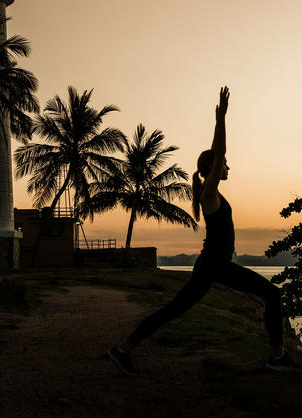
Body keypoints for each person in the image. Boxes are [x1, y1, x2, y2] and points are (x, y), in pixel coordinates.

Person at [108, 87, 296, 375]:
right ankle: (276, 356)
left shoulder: (212, 195)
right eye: (224, 165)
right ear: (213, 167)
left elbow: (219, 156)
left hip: (213, 265)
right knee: (271, 294)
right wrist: (221, 119)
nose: (228, 168)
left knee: (174, 309)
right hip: (214, 265)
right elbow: (220, 152)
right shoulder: (209, 193)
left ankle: (123, 349)